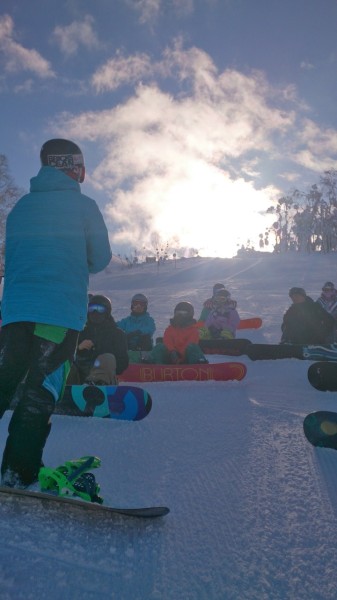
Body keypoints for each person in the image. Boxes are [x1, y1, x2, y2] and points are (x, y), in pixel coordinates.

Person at [0, 138, 112, 488]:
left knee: (3, 381)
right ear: (73, 166)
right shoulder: (83, 206)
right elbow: (101, 258)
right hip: (57, 317)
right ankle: (18, 471)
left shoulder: (21, 207)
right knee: (41, 388)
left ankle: (18, 467)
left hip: (15, 315)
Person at [67, 294, 129, 385]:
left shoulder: (117, 334)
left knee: (108, 358)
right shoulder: (79, 332)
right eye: (92, 309)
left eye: (100, 309)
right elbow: (65, 354)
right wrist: (78, 348)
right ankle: (66, 390)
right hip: (79, 378)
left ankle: (96, 384)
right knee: (67, 362)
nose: (95, 312)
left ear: (107, 312)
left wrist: (102, 354)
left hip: (104, 379)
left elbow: (122, 363)